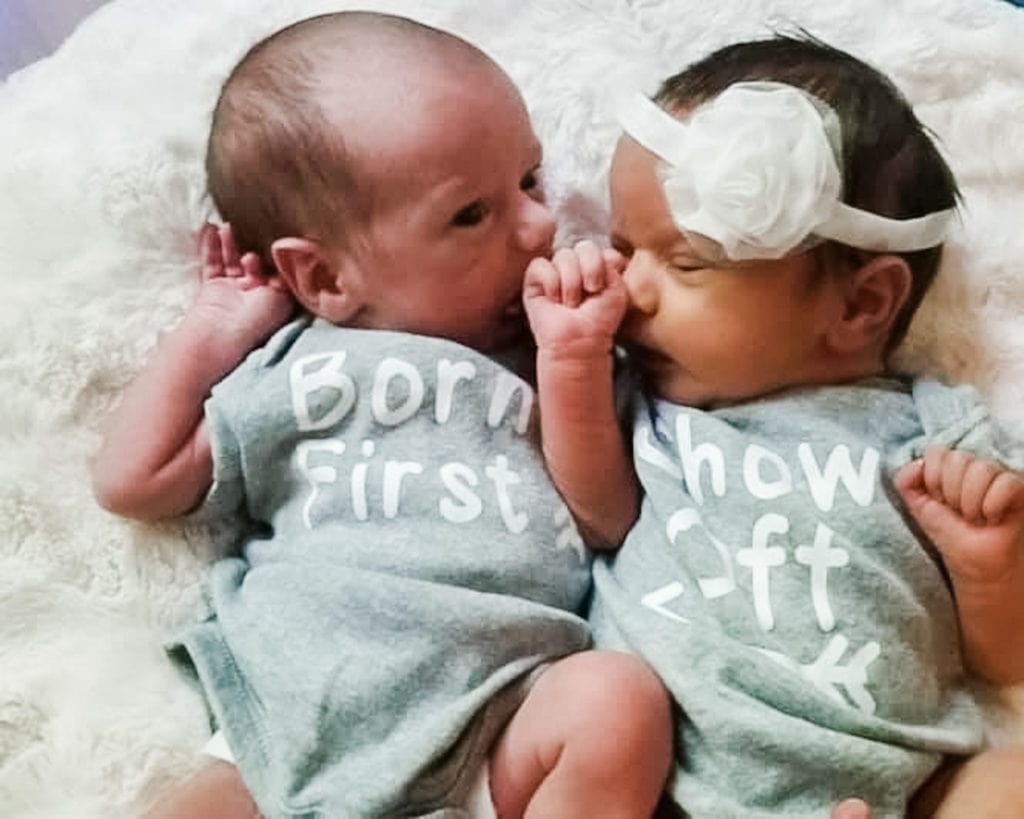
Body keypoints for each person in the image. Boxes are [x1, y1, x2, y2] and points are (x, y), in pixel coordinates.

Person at [89, 11, 675, 819]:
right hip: (284, 730)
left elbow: (609, 519)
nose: (541, 225)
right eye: (472, 214)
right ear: (325, 277)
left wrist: (571, 365)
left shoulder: (558, 355)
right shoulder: (297, 364)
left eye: (530, 180)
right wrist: (211, 328)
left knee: (619, 698)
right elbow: (134, 481)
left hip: (494, 724)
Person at [522, 35, 1024, 818]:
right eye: (623, 250)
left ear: (859, 305)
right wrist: (571, 360)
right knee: (601, 703)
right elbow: (597, 512)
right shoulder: (655, 409)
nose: (634, 291)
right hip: (660, 783)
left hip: (891, 783)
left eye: (684, 263)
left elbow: (1006, 661)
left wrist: (990, 569)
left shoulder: (937, 437)